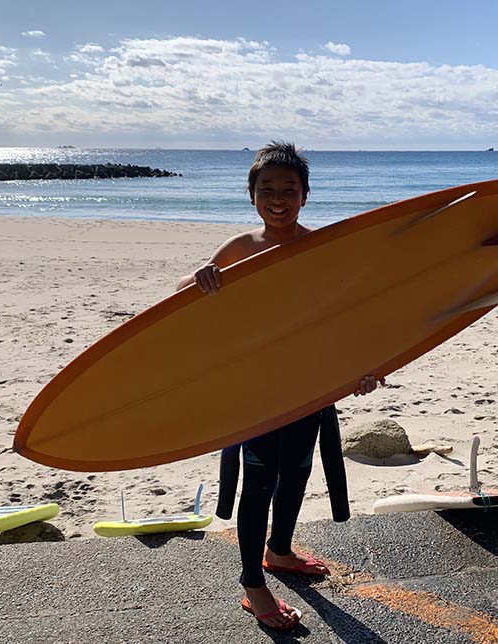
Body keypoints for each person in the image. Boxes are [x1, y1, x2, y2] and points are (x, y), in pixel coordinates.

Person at [176, 142, 383, 631]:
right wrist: (201, 273)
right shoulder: (240, 248)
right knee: (260, 482)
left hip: (306, 385)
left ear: (305, 195)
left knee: (296, 473)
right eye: (267, 189)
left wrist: (362, 369)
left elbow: (341, 318)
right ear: (251, 196)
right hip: (254, 391)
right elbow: (184, 295)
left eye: (288, 189)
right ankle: (252, 583)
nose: (278, 198)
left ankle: (279, 551)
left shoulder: (319, 249)